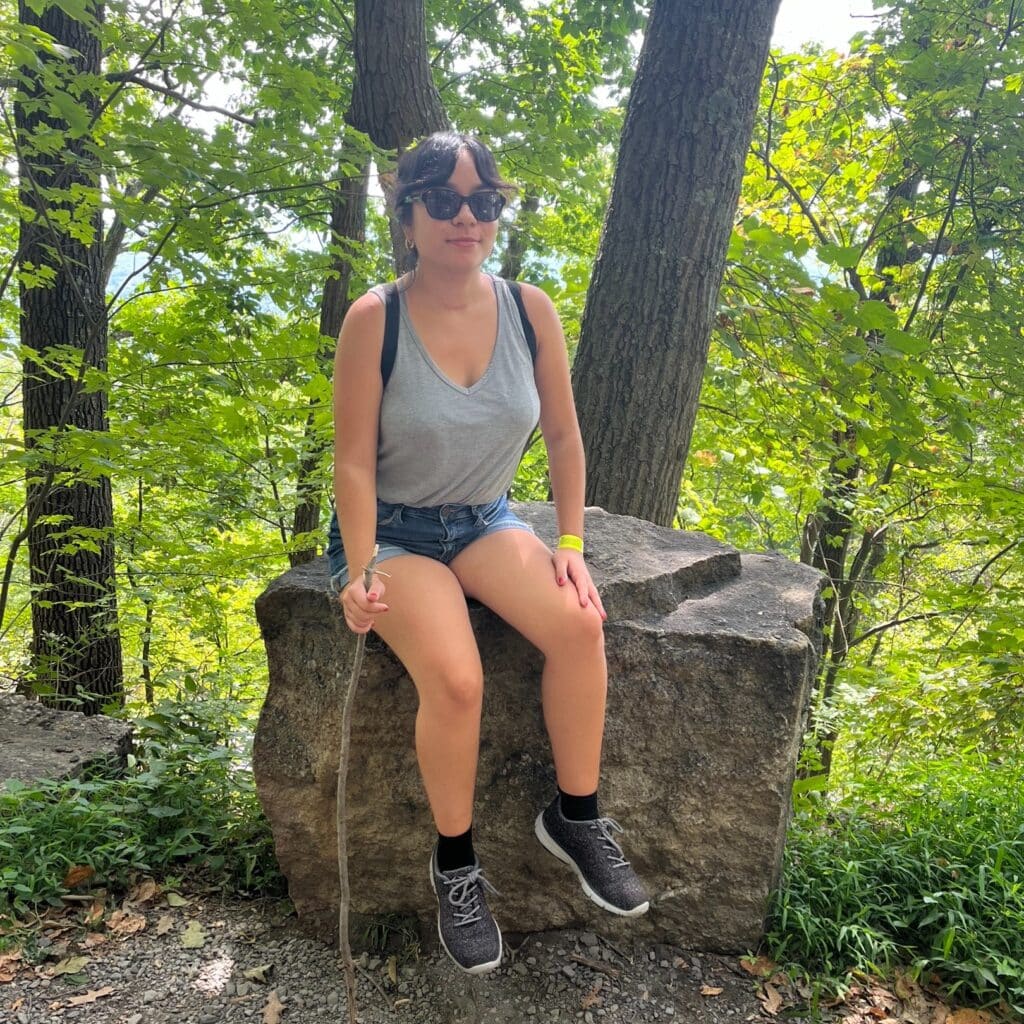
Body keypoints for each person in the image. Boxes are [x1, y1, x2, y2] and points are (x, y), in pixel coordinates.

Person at [326, 131, 648, 976]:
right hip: (396, 531)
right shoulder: (376, 318)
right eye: (443, 201)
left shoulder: (527, 308)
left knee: (581, 626)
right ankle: (457, 865)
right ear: (408, 215)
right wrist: (360, 569)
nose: (465, 218)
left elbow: (567, 434)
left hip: (484, 519)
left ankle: (575, 815)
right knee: (458, 680)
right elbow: (353, 461)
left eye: (484, 202)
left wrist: (571, 542)